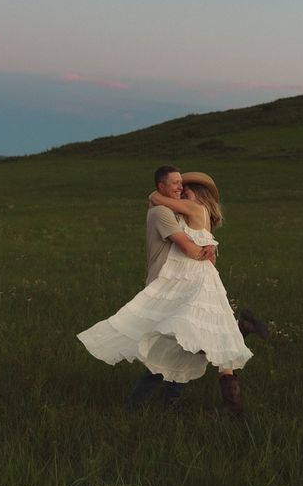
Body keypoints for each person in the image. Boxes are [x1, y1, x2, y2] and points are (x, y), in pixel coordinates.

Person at [77, 166, 265, 414]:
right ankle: (179, 399)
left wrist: (203, 249)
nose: (181, 188)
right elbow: (203, 252)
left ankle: (140, 405)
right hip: (191, 282)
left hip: (190, 284)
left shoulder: (191, 209)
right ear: (163, 185)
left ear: (195, 193)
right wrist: (206, 249)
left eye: (184, 186)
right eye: (177, 184)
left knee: (175, 344)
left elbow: (185, 242)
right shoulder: (178, 213)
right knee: (192, 342)